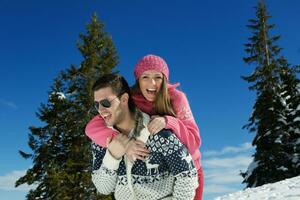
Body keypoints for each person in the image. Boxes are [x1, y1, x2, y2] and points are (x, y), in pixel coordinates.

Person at [86, 54, 203, 200]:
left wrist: (169, 121)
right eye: (145, 77)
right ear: (138, 81)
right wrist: (122, 144)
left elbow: (194, 143)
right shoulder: (132, 100)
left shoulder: (176, 99)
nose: (152, 83)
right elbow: (92, 127)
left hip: (190, 164)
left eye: (158, 77)